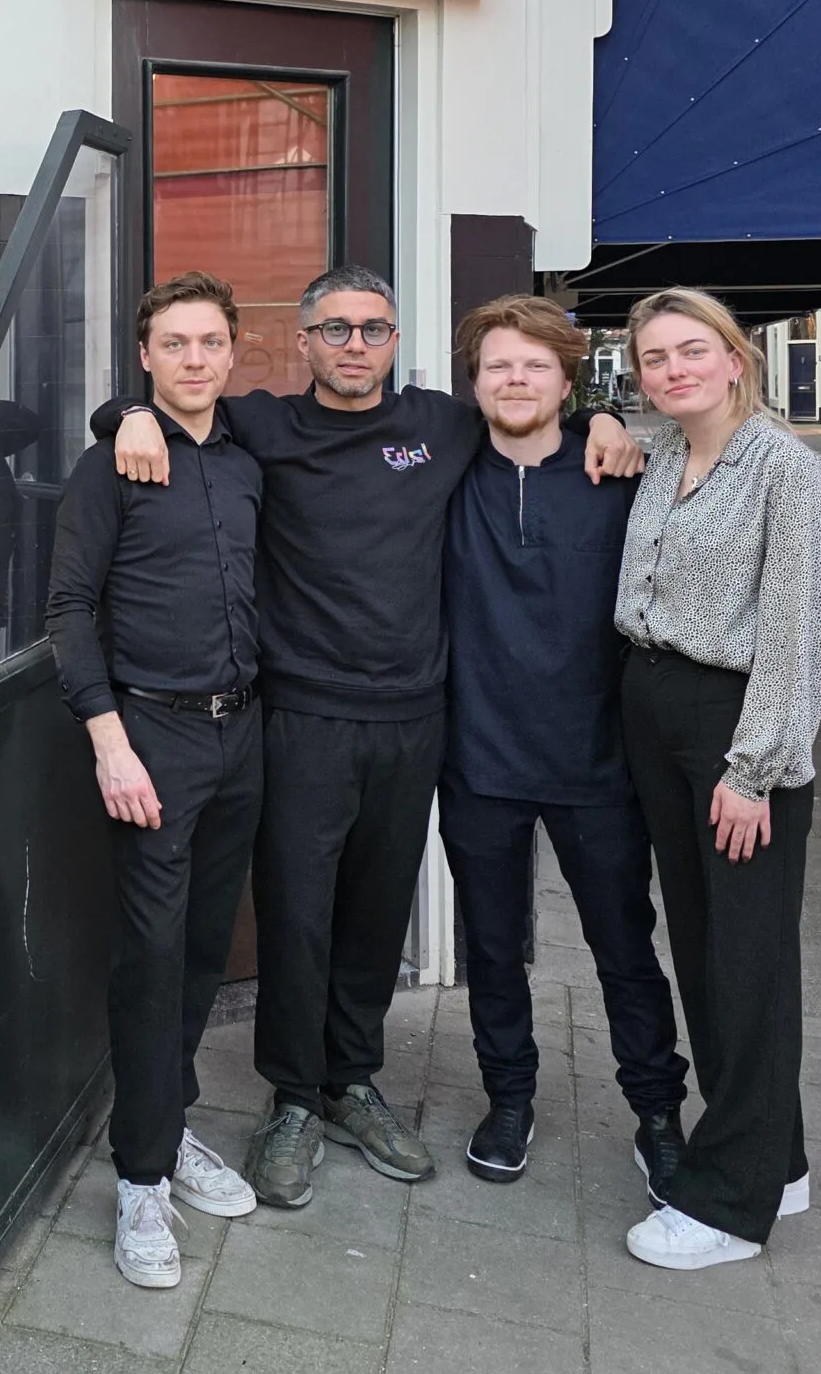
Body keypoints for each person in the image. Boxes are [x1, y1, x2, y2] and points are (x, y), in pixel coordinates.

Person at [101, 266, 641, 1208]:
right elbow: (174, 403)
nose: (356, 345)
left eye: (374, 329)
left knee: (376, 915)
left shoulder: (442, 426)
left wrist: (605, 418)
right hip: (302, 718)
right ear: (304, 340)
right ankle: (292, 1098)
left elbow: (530, 415)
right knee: (298, 915)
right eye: (336, 329)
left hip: (415, 719)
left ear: (396, 341)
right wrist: (125, 415)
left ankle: (350, 1081)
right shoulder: (264, 425)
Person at [438, 295, 687, 1193]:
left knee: (625, 948)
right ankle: (509, 1099)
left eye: (535, 365)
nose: (516, 380)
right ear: (474, 382)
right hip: (478, 759)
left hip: (597, 763)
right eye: (499, 366)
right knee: (492, 948)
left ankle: (658, 1113)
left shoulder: (622, 478)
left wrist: (606, 422)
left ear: (567, 379)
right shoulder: (444, 470)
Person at [47, 272, 264, 1290]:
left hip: (242, 735)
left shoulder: (249, 455)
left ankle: (167, 1127)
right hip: (151, 740)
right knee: (150, 957)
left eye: (210, 341)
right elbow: (67, 610)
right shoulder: (110, 468)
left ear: (233, 351)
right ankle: (140, 1180)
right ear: (144, 356)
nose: (194, 359)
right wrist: (110, 742)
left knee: (202, 953)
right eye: (173, 343)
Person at [614, 288, 821, 1271]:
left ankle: (731, 1203)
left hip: (734, 728)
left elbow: (793, 631)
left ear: (735, 359)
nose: (674, 370)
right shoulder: (663, 452)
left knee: (748, 960)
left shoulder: (785, 469)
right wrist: (600, 428)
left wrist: (754, 770)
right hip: (653, 706)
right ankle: (775, 1160)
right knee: (705, 950)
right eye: (655, 358)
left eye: (691, 351)